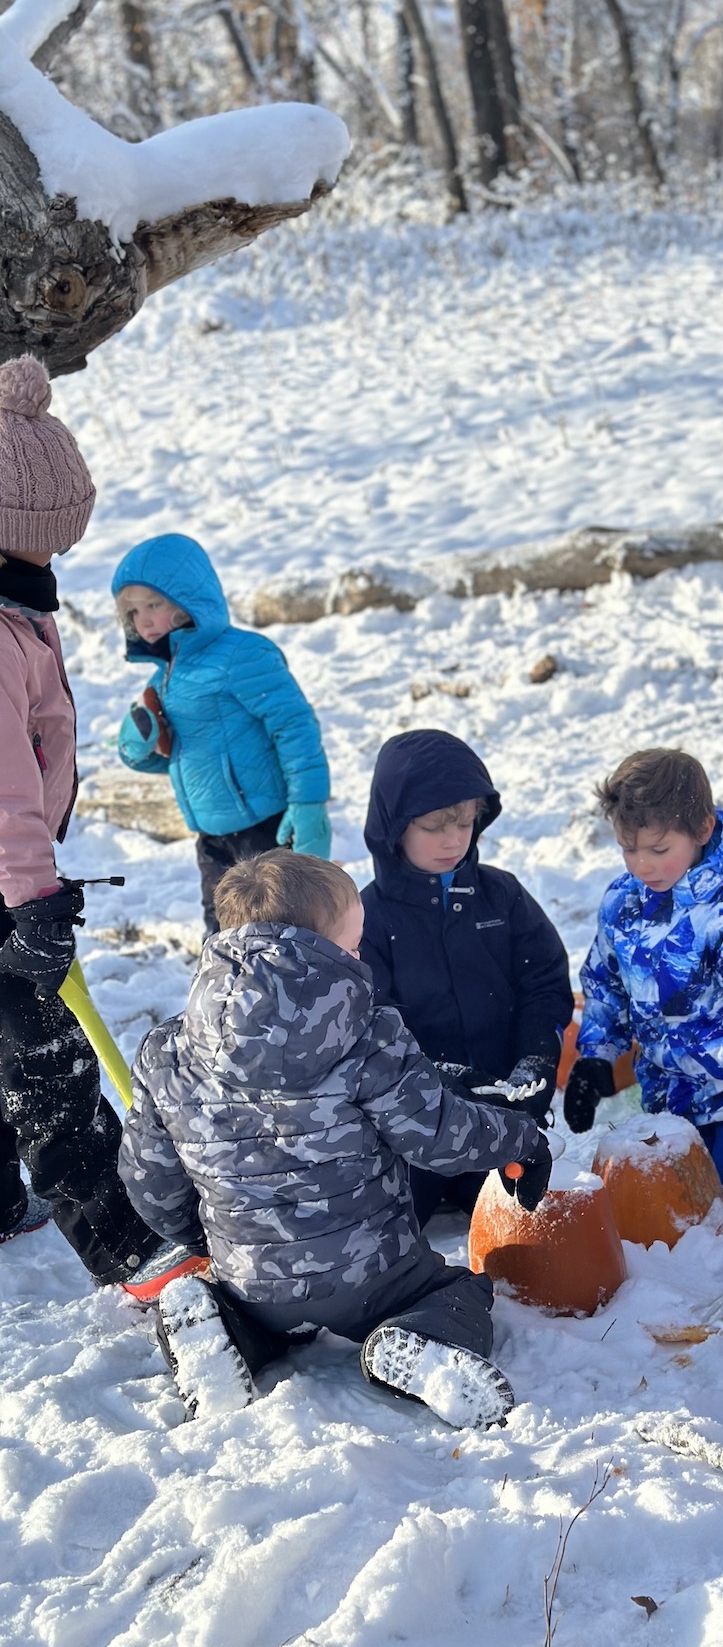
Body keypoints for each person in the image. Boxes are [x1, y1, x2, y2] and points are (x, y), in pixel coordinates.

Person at [119, 850, 553, 1425]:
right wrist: (522, 1140)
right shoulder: (367, 1034)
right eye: (350, 948)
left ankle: (226, 1329)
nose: (358, 959)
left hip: (251, 1278)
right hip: (375, 1274)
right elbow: (437, 1136)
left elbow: (149, 1180)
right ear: (316, 953)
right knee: (457, 1292)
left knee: (251, 1312)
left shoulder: (167, 1051)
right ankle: (417, 1339)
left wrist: (205, 1238)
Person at [0, 355, 197, 1295]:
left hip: (10, 873)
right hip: (7, 881)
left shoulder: (17, 605)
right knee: (50, 1067)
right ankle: (132, 1249)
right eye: (43, 545)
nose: (53, 562)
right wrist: (33, 898)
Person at [564, 747, 723, 1209]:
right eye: (628, 849)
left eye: (658, 849)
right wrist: (595, 1058)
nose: (642, 865)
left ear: (702, 829)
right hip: (668, 1095)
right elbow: (606, 985)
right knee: (669, 1201)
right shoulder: (623, 903)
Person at [360, 731, 573, 1213]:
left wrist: (536, 1059)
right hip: (414, 1130)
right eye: (435, 826)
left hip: (504, 1115)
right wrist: (439, 1082)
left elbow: (543, 983)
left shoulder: (502, 896)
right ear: (395, 827)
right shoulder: (368, 918)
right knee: (391, 1228)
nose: (454, 839)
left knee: (532, 1218)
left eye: (465, 822)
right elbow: (370, 1027)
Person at [112, 533, 331, 933]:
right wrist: (137, 749)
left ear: (188, 599)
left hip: (267, 827)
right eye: (134, 610)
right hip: (212, 838)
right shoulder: (163, 680)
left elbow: (294, 725)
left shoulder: (242, 654)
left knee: (280, 929)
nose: (144, 620)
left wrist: (308, 802)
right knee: (222, 933)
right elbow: (184, 759)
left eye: (154, 604)